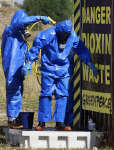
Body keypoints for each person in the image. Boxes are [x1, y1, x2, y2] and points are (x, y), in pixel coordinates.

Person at [23, 20, 97, 131]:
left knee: (63, 95)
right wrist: (28, 62)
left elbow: (80, 48)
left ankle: (60, 123)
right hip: (48, 69)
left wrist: (88, 62)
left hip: (63, 71)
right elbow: (36, 47)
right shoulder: (47, 35)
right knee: (46, 94)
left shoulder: (72, 36)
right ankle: (42, 122)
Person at [1, 9, 52, 129]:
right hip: (12, 68)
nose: (26, 28)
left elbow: (24, 53)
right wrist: (40, 17)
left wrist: (28, 63)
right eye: (25, 26)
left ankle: (14, 118)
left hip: (17, 69)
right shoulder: (10, 30)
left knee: (18, 91)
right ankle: (12, 120)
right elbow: (23, 22)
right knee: (14, 91)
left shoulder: (19, 37)